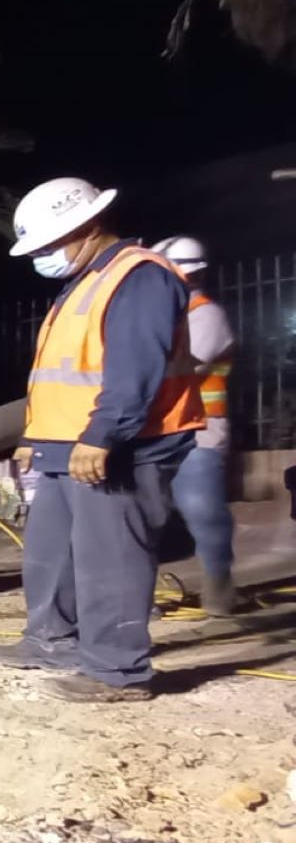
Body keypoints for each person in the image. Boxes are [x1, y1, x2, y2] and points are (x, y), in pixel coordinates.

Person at [0, 178, 203, 702]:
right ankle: (51, 639)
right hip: (63, 445)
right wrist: (35, 436)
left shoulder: (139, 277)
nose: (40, 258)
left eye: (44, 246)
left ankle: (119, 672)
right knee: (50, 552)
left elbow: (135, 368)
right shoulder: (83, 282)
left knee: (113, 559)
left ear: (85, 227)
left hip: (122, 445)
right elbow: (62, 373)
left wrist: (103, 436)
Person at [155, 236, 238, 616]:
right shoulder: (166, 317)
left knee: (204, 514)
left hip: (200, 432)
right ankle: (139, 597)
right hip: (160, 430)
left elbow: (181, 370)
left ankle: (219, 598)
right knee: (144, 516)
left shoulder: (206, 315)